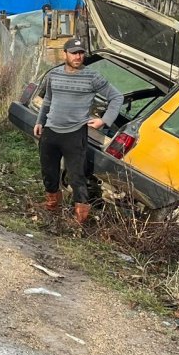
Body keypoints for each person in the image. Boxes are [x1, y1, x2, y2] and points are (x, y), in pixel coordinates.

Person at [32, 36, 123, 223]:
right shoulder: (54, 75)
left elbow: (116, 97)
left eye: (81, 53)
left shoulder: (92, 77)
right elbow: (48, 100)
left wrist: (104, 121)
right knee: (48, 173)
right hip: (50, 131)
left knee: (76, 177)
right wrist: (40, 121)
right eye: (74, 53)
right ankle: (52, 206)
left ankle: (79, 219)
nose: (78, 57)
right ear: (65, 54)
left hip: (75, 134)